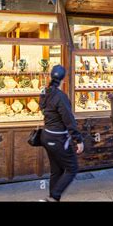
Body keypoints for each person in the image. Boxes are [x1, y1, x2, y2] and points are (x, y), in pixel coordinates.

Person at [39, 65, 84, 202]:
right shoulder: (60, 97)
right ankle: (53, 197)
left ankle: (53, 197)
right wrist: (79, 140)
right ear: (63, 79)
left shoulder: (44, 93)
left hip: (46, 135)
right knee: (72, 168)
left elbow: (43, 109)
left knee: (56, 170)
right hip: (58, 138)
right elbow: (69, 120)